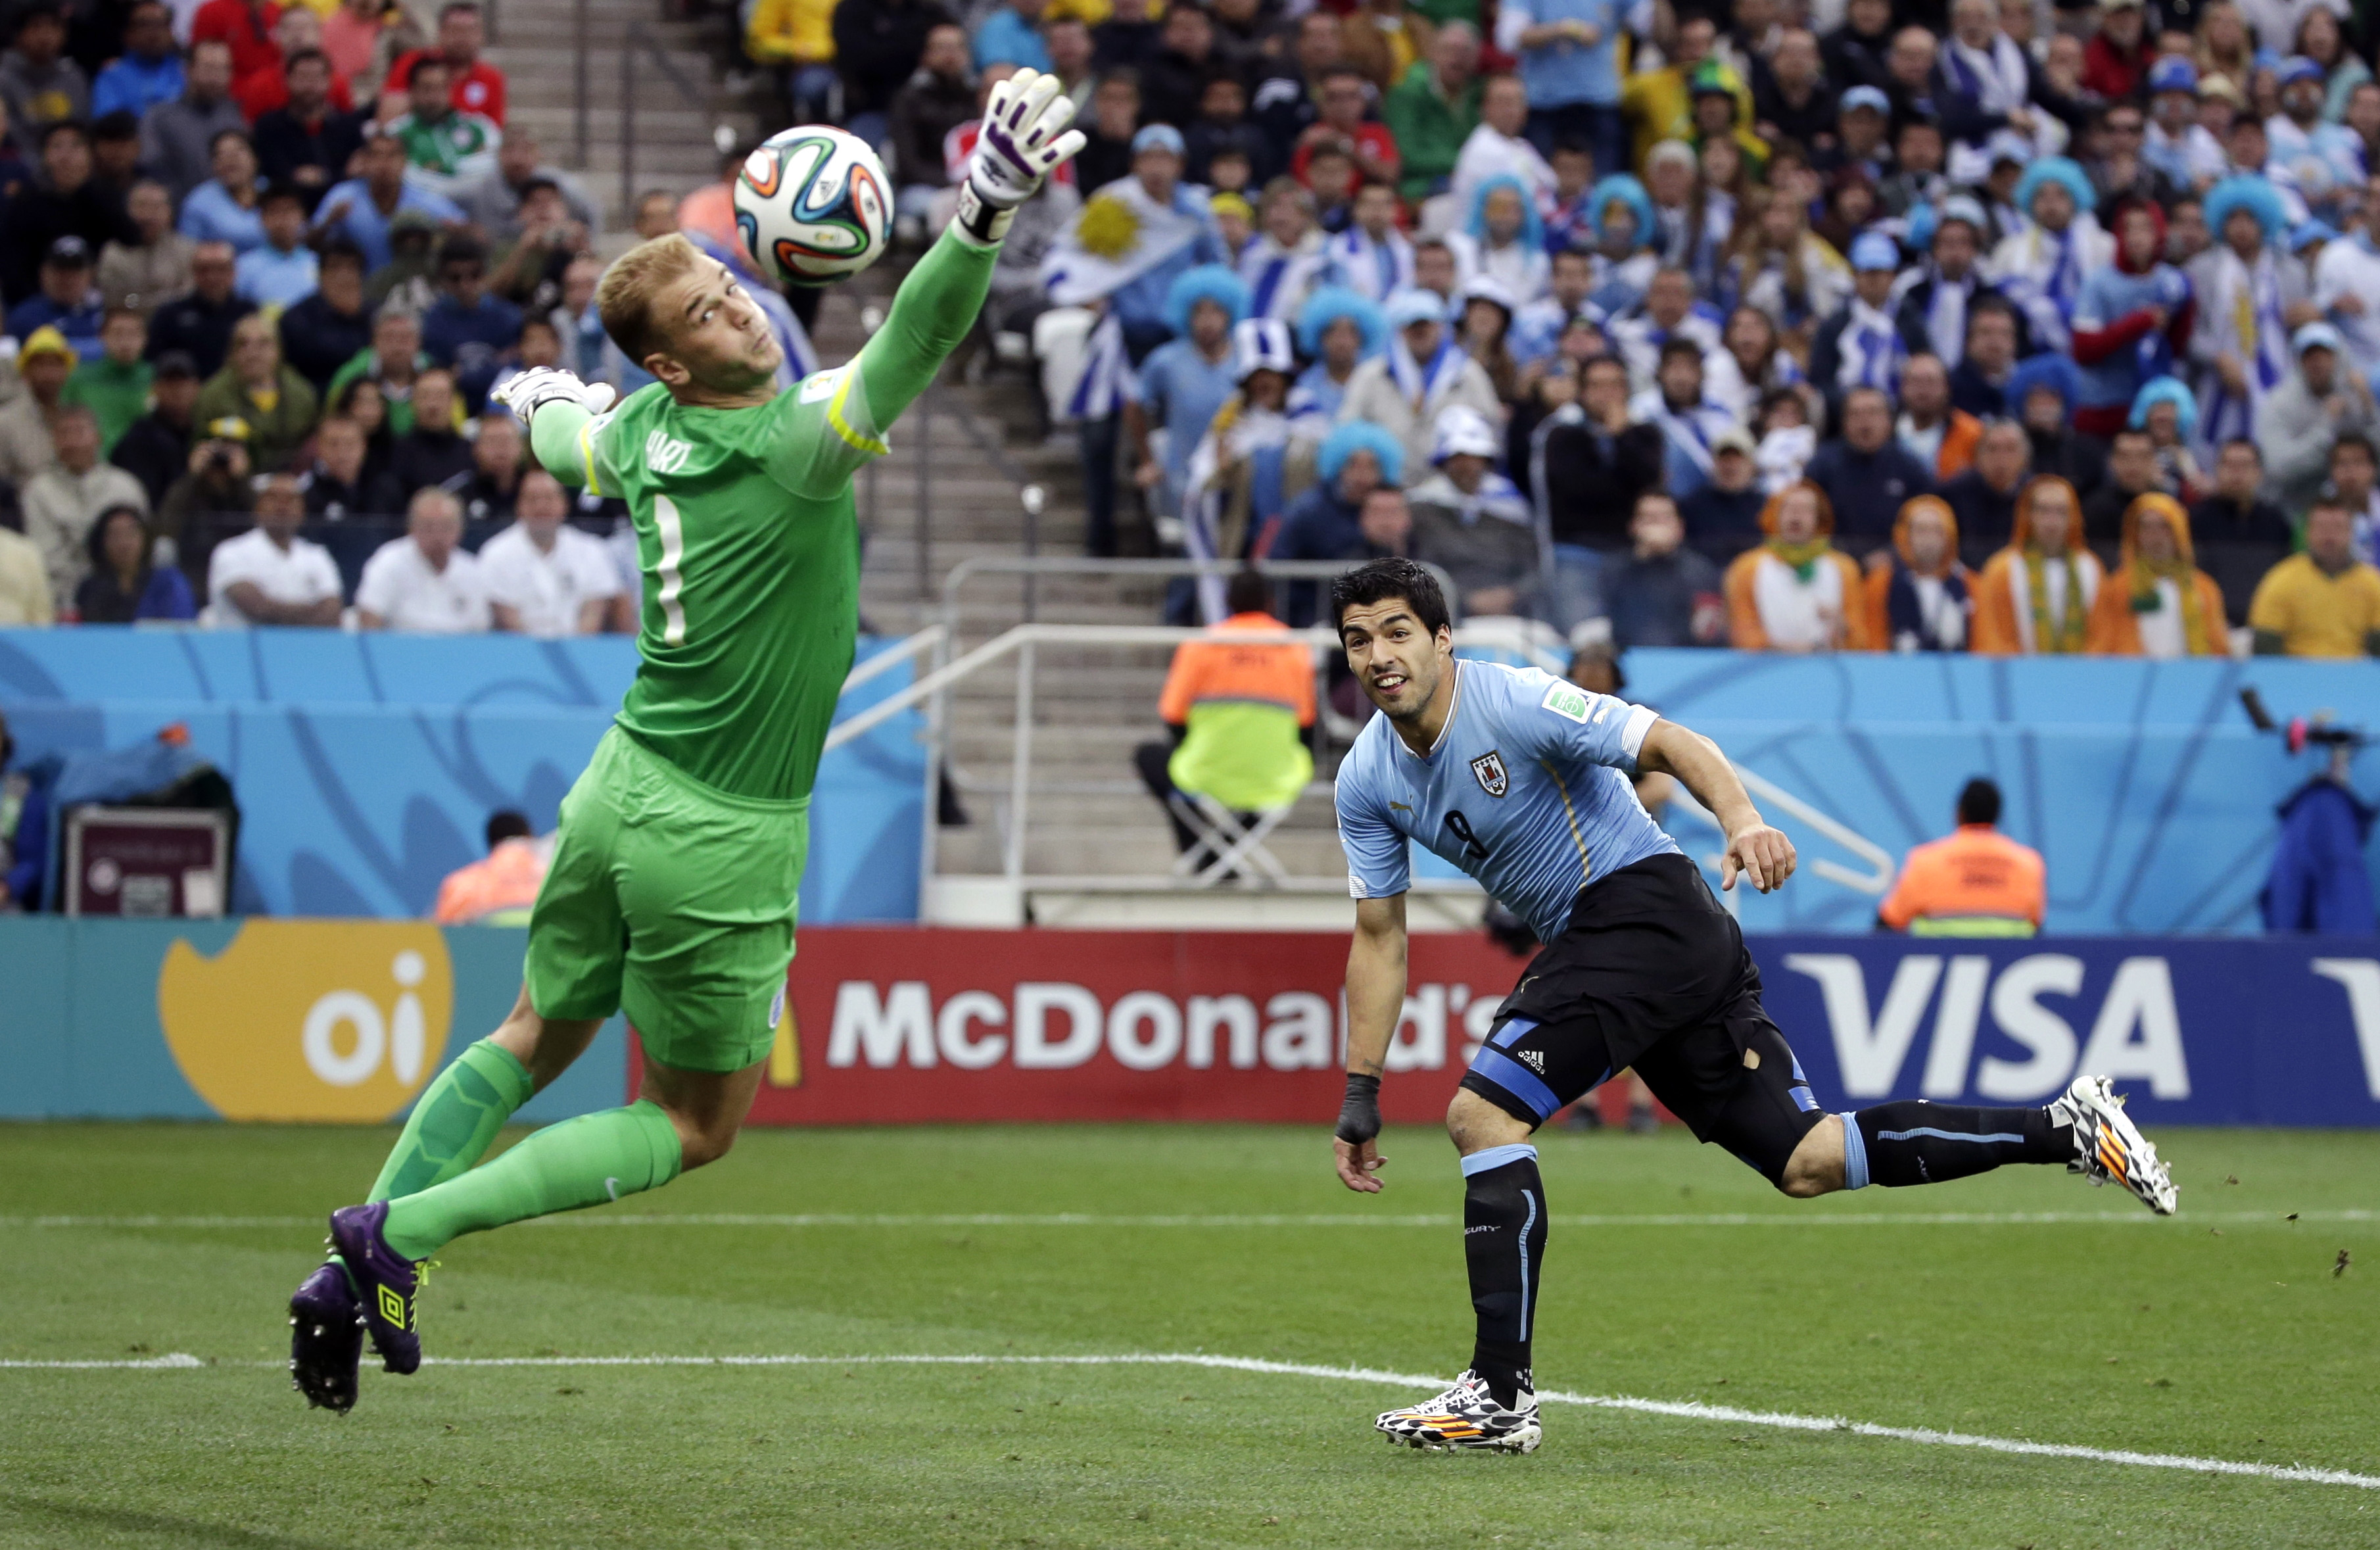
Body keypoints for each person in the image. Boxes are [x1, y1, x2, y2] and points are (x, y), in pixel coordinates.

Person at [282, 69, 1085, 1413]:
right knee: (700, 1124)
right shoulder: (793, 445)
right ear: (670, 361)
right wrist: (982, 214)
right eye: (705, 312)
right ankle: (400, 1235)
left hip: (615, 789)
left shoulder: (638, 432)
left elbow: (559, 422)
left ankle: (343, 1267)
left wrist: (524, 387)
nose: (735, 311)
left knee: (538, 1027)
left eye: (729, 289)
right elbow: (916, 344)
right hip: (719, 827)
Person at [1327, 554, 2175, 1453]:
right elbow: (1381, 936)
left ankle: (1499, 1397)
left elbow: (1671, 742)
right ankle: (2069, 1127)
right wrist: (1359, 1090)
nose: (1379, 654)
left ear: (1442, 637)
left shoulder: (1510, 701)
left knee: (1481, 1116)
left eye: (1397, 631)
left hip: (1637, 909)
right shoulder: (1365, 779)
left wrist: (1741, 821)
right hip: (1655, 942)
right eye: (1357, 640)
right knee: (1810, 1158)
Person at [1132, 567, 1316, 867]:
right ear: (1271, 603)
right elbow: (1305, 724)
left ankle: (1206, 855)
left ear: (1228, 601)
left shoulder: (1202, 645)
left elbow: (1173, 718)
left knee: (1151, 757)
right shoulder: (1295, 649)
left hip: (1206, 774)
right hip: (1276, 779)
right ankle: (1219, 856)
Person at [1341, 287, 1502, 477]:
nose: (1420, 332)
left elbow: (1493, 431)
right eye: (1412, 326)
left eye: (1427, 325)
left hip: (1451, 490)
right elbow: (1347, 431)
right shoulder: (1371, 375)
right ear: (1400, 329)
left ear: (1441, 327)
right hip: (1388, 489)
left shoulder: (1469, 374)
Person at [1404, 404, 1535, 616]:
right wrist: (1464, 600)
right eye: (1458, 457)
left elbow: (1532, 566)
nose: (1467, 466)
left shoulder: (1511, 507)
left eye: (1475, 456)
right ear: (1443, 460)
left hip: (1512, 614)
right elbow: (1418, 566)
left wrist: (1513, 595)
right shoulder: (1420, 507)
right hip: (1443, 615)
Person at [1876, 776, 2044, 936]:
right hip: (2010, 960)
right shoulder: (2029, 864)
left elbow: (1886, 926)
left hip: (1938, 961)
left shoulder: (1926, 862)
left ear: (1959, 813)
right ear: (1997, 814)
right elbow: (2037, 931)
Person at [22, 405, 149, 610]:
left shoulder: (127, 487)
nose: (72, 442)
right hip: (58, 602)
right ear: (54, 441)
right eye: (64, 433)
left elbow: (141, 554)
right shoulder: (38, 491)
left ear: (98, 437)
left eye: (80, 432)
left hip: (124, 601)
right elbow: (44, 560)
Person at [1721, 479, 1869, 651]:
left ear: (1820, 518)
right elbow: (1742, 633)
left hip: (1827, 669)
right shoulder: (1746, 568)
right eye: (1788, 508)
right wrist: (1789, 650)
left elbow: (1859, 640)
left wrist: (1842, 628)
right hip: (1765, 670)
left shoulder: (1845, 569)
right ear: (1774, 514)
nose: (1796, 515)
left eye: (1806, 510)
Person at [2084, 492, 2231, 656]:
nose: (2155, 535)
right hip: (2133, 677)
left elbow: (2219, 646)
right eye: (2146, 527)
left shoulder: (2204, 587)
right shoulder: (2117, 587)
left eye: (2164, 526)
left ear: (2179, 531)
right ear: (2135, 534)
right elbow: (2101, 644)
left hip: (2191, 676)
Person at [477, 468, 618, 636]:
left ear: (565, 504)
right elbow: (507, 621)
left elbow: (593, 615)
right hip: (519, 652)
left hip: (579, 651)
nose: (541, 506)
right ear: (519, 506)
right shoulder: (496, 553)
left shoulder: (591, 550)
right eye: (532, 499)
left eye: (549, 498)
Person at [1972, 474, 2103, 654]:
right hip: (2019, 674)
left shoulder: (2091, 568)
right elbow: (1992, 635)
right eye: (2044, 510)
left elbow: (2102, 637)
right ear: (2028, 514)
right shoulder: (2002, 569)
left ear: (2074, 517)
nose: (2052, 521)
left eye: (2061, 511)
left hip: (2080, 676)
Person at [2258, 321, 2379, 513]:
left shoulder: (2356, 394)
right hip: (2295, 511)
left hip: (2356, 515)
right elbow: (2278, 468)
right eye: (2309, 356)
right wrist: (2326, 427)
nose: (2318, 362)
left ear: (2339, 358)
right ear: (2298, 362)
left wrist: (2370, 412)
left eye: (2326, 355)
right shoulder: (2279, 403)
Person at [314, 127, 468, 273]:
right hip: (357, 290)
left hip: (410, 292)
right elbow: (307, 244)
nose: (385, 164)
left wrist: (456, 232)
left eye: (393, 155)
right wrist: (329, 222)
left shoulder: (425, 200)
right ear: (365, 161)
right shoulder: (343, 196)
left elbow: (469, 232)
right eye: (377, 156)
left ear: (405, 161)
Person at [1803, 385, 1935, 552]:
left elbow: (1926, 523)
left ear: (1889, 421)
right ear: (1844, 423)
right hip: (1834, 560)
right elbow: (1810, 522)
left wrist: (1892, 555)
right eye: (1856, 414)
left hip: (1894, 565)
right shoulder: (1822, 466)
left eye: (1873, 413)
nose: (1865, 423)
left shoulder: (1910, 467)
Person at [204, 470, 343, 625]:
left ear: (302, 510)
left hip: (305, 648)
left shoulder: (317, 555)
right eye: (273, 498)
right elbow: (259, 609)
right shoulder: (231, 552)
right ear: (258, 507)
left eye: (291, 499)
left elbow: (333, 613)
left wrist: (280, 610)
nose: (282, 506)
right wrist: (314, 611)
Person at [2248, 496, 2380, 656]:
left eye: (2338, 528)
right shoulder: (2282, 579)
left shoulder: (2372, 583)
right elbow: (2265, 645)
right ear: (2307, 532)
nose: (2329, 537)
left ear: (2351, 533)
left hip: (2354, 673)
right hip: (2296, 673)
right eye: (2322, 528)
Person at [194, 314, 318, 473]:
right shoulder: (212, 396)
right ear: (231, 352)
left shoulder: (302, 394)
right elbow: (199, 446)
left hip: (290, 481)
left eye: (263, 343)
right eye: (243, 344)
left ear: (278, 350)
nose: (252, 353)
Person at [355, 485, 488, 631]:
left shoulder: (472, 571)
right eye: (428, 527)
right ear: (412, 528)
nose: (438, 536)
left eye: (446, 527)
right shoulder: (388, 562)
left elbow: (480, 633)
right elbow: (369, 619)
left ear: (460, 529)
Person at [1604, 491, 1721, 648]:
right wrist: (1644, 557)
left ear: (1680, 528)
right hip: (1628, 657)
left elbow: (1709, 632)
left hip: (1686, 660)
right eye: (1649, 519)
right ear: (1633, 527)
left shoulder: (1700, 570)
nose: (1657, 526)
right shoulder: (1614, 569)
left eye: (1664, 518)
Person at [1383, 20, 1482, 206]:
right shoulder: (1408, 92)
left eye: (1465, 51)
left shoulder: (1476, 94)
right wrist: (1467, 162)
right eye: (1449, 50)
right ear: (1433, 53)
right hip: (1419, 186)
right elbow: (1405, 154)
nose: (1457, 58)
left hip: (1466, 181)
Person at [139, 37, 245, 205]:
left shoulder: (236, 116)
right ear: (187, 70)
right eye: (209, 69)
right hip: (178, 212)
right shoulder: (161, 118)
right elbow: (153, 170)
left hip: (231, 214)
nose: (216, 78)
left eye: (223, 69)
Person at [145, 241, 254, 379]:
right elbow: (153, 363)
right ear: (193, 272)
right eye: (204, 269)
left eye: (220, 269)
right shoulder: (169, 315)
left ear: (233, 272)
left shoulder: (249, 313)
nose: (212, 277)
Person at [386, 1, 506, 125]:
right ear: (441, 32)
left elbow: (494, 132)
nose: (463, 37)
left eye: (470, 30)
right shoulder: (411, 63)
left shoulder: (492, 78)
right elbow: (388, 121)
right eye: (455, 30)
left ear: (482, 35)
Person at [74, 503, 195, 621]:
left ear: (145, 537)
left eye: (130, 534)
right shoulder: (89, 589)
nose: (124, 543)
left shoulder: (168, 583)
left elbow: (181, 625)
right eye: (115, 535)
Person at [279, 241, 371, 392]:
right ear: (321, 275)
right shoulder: (297, 319)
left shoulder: (375, 316)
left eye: (352, 267)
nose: (344, 275)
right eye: (335, 267)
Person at [97, 179, 194, 316]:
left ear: (169, 212)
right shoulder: (113, 252)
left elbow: (187, 297)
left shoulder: (186, 251)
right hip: (128, 326)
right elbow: (114, 301)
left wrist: (140, 301)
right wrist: (166, 299)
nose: (148, 215)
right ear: (127, 210)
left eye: (156, 207)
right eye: (141, 206)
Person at [1939, 416, 2030, 559]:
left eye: (2010, 449)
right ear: (1977, 455)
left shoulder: (2036, 495)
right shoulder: (1953, 493)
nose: (2001, 459)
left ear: (2025, 457)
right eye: (1992, 449)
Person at [63, 306, 153, 450]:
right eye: (118, 334)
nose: (125, 342)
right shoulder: (79, 380)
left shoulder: (157, 379)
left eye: (133, 334)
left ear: (145, 338)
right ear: (102, 337)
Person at [1895, 352, 1983, 481]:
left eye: (1930, 381)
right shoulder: (1887, 433)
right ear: (1902, 387)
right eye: (1915, 381)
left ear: (1947, 387)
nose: (1923, 389)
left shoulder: (1973, 434)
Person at [233, 184, 320, 308]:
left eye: (289, 210)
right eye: (275, 211)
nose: (283, 219)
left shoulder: (318, 263)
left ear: (303, 216)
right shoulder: (243, 268)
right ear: (262, 219)